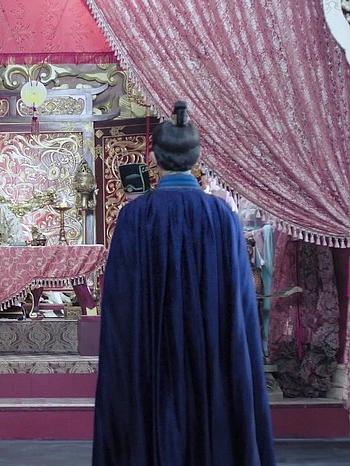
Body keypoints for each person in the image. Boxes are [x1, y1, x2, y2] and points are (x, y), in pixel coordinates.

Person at [93, 102, 275, 465]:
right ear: (197, 157)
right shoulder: (222, 216)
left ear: (152, 158)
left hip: (151, 355)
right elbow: (240, 299)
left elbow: (119, 302)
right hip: (212, 351)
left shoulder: (135, 216)